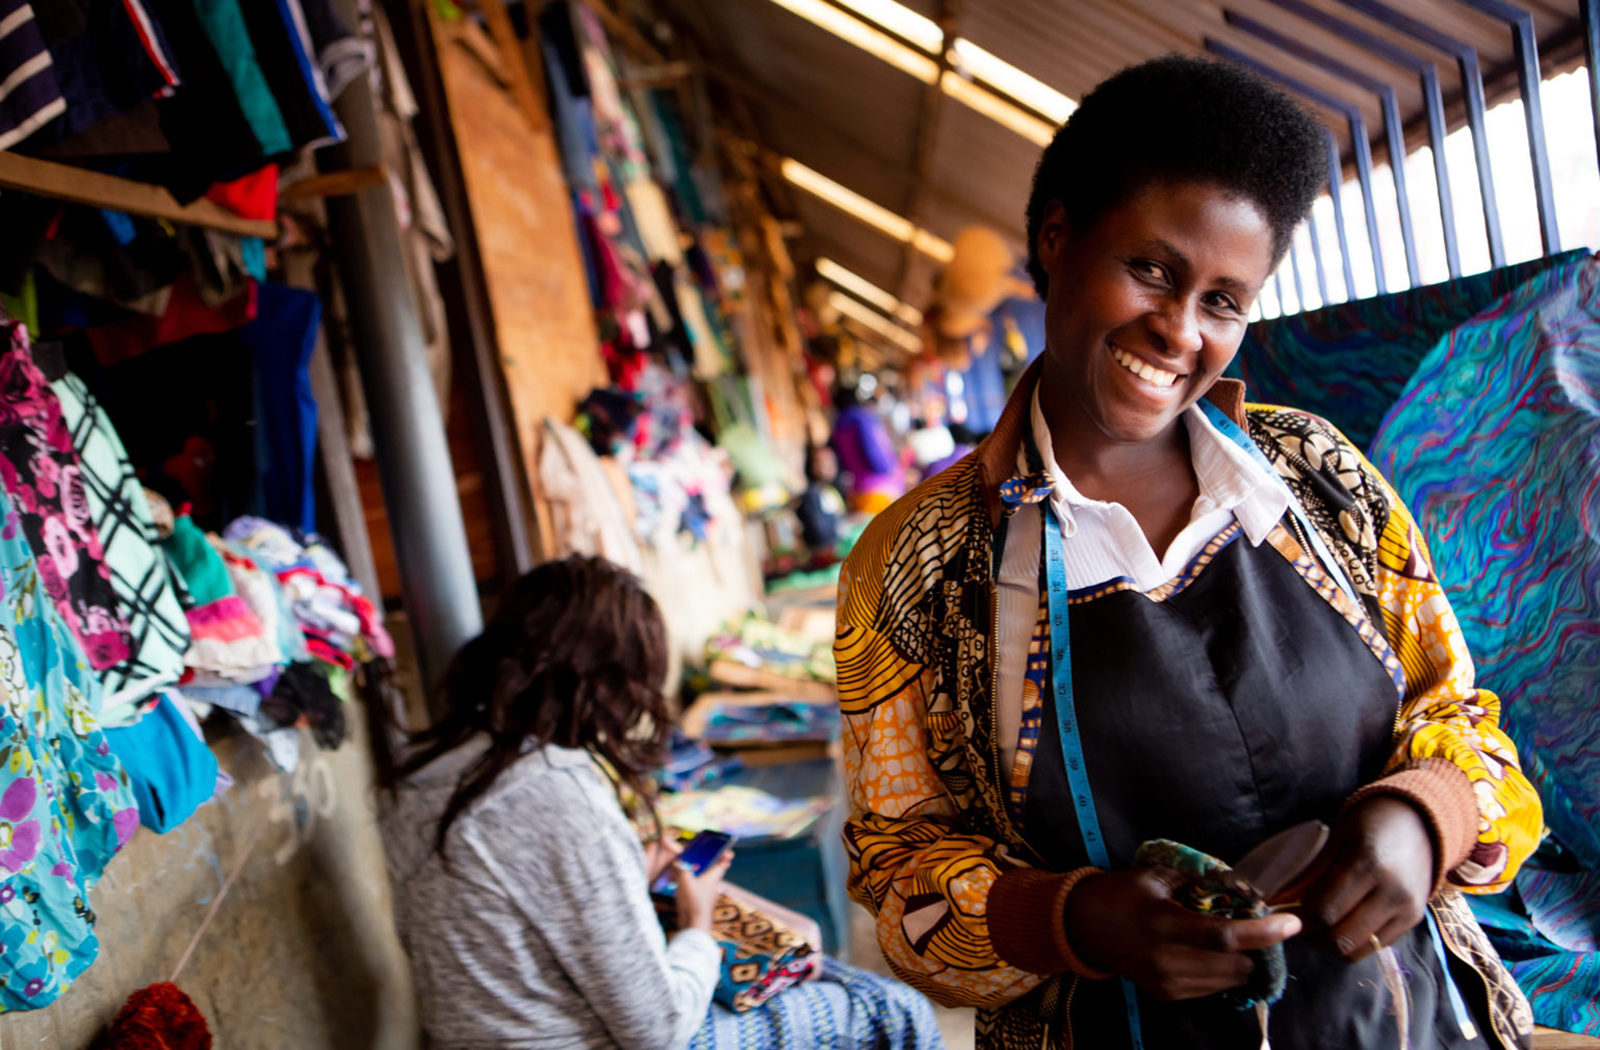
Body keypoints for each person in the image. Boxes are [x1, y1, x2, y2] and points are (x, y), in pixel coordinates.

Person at [835, 56, 1543, 1050]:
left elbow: (1467, 729)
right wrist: (1075, 919)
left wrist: (1427, 816)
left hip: (1404, 1022)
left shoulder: (1319, 481)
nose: (1178, 331)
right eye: (1152, 271)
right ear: (1057, 237)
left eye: (1223, 300)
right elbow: (899, 879)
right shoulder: (917, 565)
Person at [378, 555, 946, 1050]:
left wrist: (624, 866)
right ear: (604, 682)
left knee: (835, 979)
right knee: (891, 1009)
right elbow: (659, 1028)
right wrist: (698, 919)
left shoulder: (418, 774)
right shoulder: (553, 788)